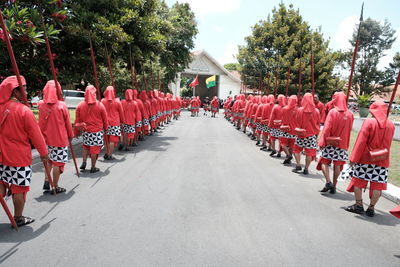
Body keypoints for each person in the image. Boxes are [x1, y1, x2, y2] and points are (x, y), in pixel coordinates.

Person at [0, 75, 48, 226]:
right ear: (16, 92)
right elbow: (36, 136)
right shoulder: (24, 111)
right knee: (19, 187)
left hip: (1, 155)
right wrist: (44, 154)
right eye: (24, 90)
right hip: (18, 157)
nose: (26, 93)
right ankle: (18, 217)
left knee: (1, 184)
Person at [345, 101, 395, 217]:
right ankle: (371, 208)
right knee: (377, 184)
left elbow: (360, 142)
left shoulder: (369, 122)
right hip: (382, 159)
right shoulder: (391, 125)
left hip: (366, 159)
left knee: (358, 181)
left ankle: (358, 205)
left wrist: (353, 159)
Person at [38, 80, 74, 193]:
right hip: (60, 139)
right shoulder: (62, 105)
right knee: (57, 163)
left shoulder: (40, 105)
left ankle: (46, 180)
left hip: (46, 139)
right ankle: (55, 186)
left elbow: (40, 124)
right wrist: (71, 135)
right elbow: (68, 123)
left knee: (49, 161)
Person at [317, 92, 354, 194]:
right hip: (342, 143)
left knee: (324, 161)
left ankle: (328, 182)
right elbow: (350, 128)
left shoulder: (333, 112)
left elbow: (327, 128)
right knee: (337, 165)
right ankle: (334, 186)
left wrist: (322, 142)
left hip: (330, 142)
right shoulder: (350, 114)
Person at [75, 85, 108, 173]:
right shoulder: (100, 105)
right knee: (94, 149)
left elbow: (77, 120)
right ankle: (93, 167)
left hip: (85, 131)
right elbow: (105, 119)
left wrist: (76, 132)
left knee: (85, 146)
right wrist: (106, 128)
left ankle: (84, 161)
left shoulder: (80, 105)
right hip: (96, 131)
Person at [292, 93, 320, 175]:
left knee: (296, 150)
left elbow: (296, 121)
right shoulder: (316, 111)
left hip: (300, 134)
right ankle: (306, 169)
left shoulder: (299, 110)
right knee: (309, 153)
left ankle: (298, 165)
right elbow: (318, 123)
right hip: (311, 135)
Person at [101, 86, 124, 160]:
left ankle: (107, 152)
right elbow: (121, 113)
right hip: (115, 123)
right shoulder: (117, 101)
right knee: (112, 140)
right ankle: (109, 155)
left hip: (106, 123)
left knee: (107, 140)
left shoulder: (102, 101)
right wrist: (122, 121)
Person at [280, 95, 298, 164]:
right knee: (291, 146)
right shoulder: (298, 109)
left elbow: (283, 118)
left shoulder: (285, 108)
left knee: (283, 144)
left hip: (286, 128)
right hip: (294, 130)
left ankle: (288, 155)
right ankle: (289, 158)